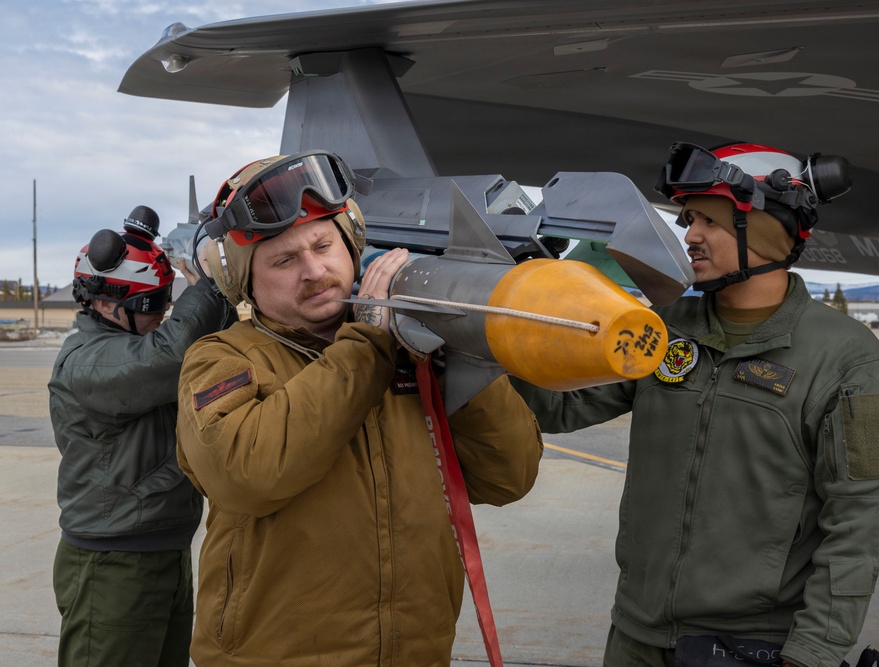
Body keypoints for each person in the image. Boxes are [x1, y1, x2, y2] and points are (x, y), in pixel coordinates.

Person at [513, 142, 879, 667]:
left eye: (709, 222)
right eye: (689, 220)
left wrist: (814, 651)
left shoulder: (851, 358)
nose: (690, 236)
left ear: (766, 231)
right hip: (637, 632)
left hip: (755, 645)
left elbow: (863, 516)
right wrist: (502, 331)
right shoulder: (662, 327)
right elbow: (560, 407)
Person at [174, 151, 543, 666]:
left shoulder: (414, 351)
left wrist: (458, 354)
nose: (314, 271)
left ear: (351, 243)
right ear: (244, 281)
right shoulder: (221, 359)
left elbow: (509, 477)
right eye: (284, 261)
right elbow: (247, 474)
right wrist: (368, 339)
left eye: (323, 245)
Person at [48, 205, 235, 666]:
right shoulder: (88, 362)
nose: (162, 313)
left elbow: (201, 347)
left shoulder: (128, 348)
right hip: (112, 564)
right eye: (151, 305)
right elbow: (169, 355)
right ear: (105, 303)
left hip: (163, 550)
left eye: (167, 301)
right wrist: (210, 283)